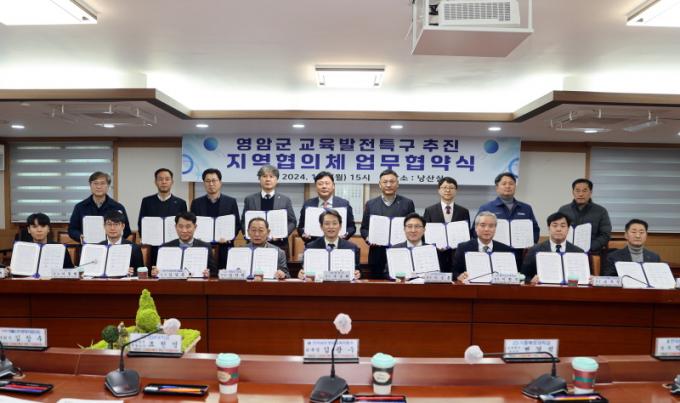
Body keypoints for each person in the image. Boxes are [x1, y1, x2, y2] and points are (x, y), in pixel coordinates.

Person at [360, 169, 415, 279]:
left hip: (400, 252)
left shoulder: (407, 203)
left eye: (392, 181)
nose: (388, 185)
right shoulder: (371, 204)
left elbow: (412, 226)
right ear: (380, 184)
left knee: (400, 284)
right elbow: (364, 228)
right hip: (377, 253)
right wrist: (368, 238)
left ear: (397, 184)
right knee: (376, 285)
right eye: (385, 182)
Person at [190, 168, 241, 269]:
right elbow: (192, 224)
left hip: (224, 247)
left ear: (220, 182)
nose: (211, 184)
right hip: (202, 248)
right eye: (208, 181)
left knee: (224, 275)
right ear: (204, 183)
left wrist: (229, 237)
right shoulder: (196, 203)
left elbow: (237, 224)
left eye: (214, 180)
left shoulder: (231, 202)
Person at [242, 165, 296, 257]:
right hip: (255, 245)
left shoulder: (285, 200)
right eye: (264, 176)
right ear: (259, 179)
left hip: (279, 244)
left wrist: (282, 234)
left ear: (276, 180)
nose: (268, 179)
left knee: (280, 266)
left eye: (271, 176)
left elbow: (292, 221)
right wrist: (249, 235)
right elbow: (243, 221)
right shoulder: (250, 199)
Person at [476, 172, 540, 245]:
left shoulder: (526, 208)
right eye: (504, 184)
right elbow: (475, 231)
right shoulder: (486, 208)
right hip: (496, 249)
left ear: (515, 186)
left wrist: (531, 243)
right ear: (497, 187)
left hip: (521, 250)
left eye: (511, 184)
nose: (508, 186)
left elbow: (535, 230)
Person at [521, 211, 584, 282]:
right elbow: (523, 276)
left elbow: (584, 277)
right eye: (554, 225)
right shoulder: (535, 250)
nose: (558, 229)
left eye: (563, 226)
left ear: (568, 229)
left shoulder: (579, 252)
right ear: (548, 228)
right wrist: (531, 280)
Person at [68, 171, 131, 242]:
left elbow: (126, 230)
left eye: (102, 183)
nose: (98, 187)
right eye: (95, 183)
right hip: (88, 246)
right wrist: (79, 236)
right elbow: (72, 230)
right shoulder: (80, 207)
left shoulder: (118, 207)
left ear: (108, 186)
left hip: (111, 246)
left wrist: (114, 238)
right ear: (90, 185)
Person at [423, 177, 471, 270]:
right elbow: (425, 233)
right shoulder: (429, 211)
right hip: (437, 256)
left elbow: (467, 234)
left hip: (457, 255)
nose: (448, 190)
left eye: (451, 188)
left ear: (456, 191)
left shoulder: (464, 211)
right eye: (444, 187)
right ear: (439, 190)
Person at [151, 211, 217, 278]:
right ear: (175, 227)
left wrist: (208, 273)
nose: (184, 230)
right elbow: (157, 272)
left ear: (195, 227)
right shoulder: (165, 248)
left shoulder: (205, 247)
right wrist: (155, 272)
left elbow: (214, 272)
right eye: (180, 226)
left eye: (188, 227)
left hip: (196, 283)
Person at [452, 211, 514, 281]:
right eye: (482, 225)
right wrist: (459, 276)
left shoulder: (506, 250)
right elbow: (454, 272)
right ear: (476, 228)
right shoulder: (463, 248)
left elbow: (511, 275)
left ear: (495, 228)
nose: (486, 229)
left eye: (491, 226)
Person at [299, 209, 360, 279]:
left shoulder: (351, 248)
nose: (331, 227)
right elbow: (305, 271)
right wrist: (302, 274)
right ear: (321, 227)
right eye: (327, 224)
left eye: (334, 223)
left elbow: (358, 271)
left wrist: (358, 274)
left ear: (340, 226)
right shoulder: (310, 247)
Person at [297, 171, 356, 244]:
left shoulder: (344, 204)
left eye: (327, 183)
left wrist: (345, 235)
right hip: (313, 245)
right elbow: (301, 227)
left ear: (333, 186)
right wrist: (304, 234)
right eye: (320, 184)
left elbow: (351, 227)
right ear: (316, 187)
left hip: (337, 245)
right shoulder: (308, 204)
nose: (324, 186)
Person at [7, 213, 73, 274]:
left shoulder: (60, 248)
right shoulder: (21, 249)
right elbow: (15, 272)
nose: (39, 230)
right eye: (34, 227)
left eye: (43, 226)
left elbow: (70, 271)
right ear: (29, 230)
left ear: (48, 229)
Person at [558, 178, 611, 253]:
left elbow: (605, 235)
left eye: (584, 191)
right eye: (577, 191)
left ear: (590, 192)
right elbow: (558, 231)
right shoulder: (563, 210)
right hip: (567, 251)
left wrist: (589, 248)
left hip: (591, 252)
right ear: (573, 192)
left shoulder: (601, 211)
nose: (581, 194)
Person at [138, 168, 188, 236]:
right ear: (155, 182)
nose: (164, 182)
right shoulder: (147, 201)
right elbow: (141, 223)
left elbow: (184, 224)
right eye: (160, 179)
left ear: (172, 182)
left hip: (174, 241)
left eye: (167, 179)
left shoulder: (181, 203)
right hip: (152, 240)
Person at [99, 210, 144, 276]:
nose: (112, 228)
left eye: (116, 224)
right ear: (104, 226)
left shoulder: (134, 248)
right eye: (109, 224)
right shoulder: (99, 248)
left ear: (123, 226)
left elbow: (141, 274)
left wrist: (132, 273)